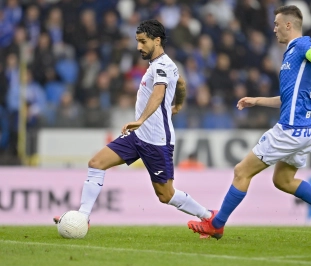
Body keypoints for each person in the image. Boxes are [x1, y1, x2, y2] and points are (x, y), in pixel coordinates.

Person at [187, 5, 311, 240]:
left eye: (276, 24)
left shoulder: (303, 44)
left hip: (292, 129)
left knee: (242, 171)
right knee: (282, 180)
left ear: (288, 25)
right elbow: (289, 98)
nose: (273, 29)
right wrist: (257, 100)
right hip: (305, 128)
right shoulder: (293, 53)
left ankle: (217, 224)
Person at [54, 19, 213, 228]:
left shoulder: (163, 65)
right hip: (138, 136)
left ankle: (209, 217)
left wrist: (141, 119)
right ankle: (83, 217)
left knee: (166, 195)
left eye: (142, 42)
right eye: (137, 41)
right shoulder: (161, 66)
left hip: (157, 140)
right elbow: (181, 83)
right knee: (96, 163)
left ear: (157, 41)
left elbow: (158, 94)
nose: (138, 47)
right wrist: (179, 105)